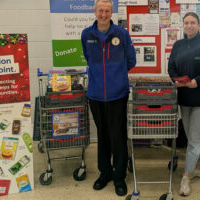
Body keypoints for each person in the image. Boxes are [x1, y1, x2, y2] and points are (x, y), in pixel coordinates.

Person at [80, 0, 136, 196]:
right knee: (102, 136)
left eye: (107, 10)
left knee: (118, 136)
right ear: (95, 11)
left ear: (112, 12)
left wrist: (117, 75)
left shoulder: (122, 34)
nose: (103, 14)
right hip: (95, 95)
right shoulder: (87, 34)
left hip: (118, 95)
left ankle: (119, 176)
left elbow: (132, 60)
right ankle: (105, 173)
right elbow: (89, 58)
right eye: (100, 10)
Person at [168, 12, 200, 196]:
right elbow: (171, 67)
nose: (189, 25)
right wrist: (176, 80)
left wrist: (198, 81)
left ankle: (186, 178)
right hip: (184, 98)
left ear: (199, 25)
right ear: (183, 25)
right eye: (186, 22)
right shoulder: (178, 45)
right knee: (191, 138)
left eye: (193, 22)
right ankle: (198, 166)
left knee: (195, 140)